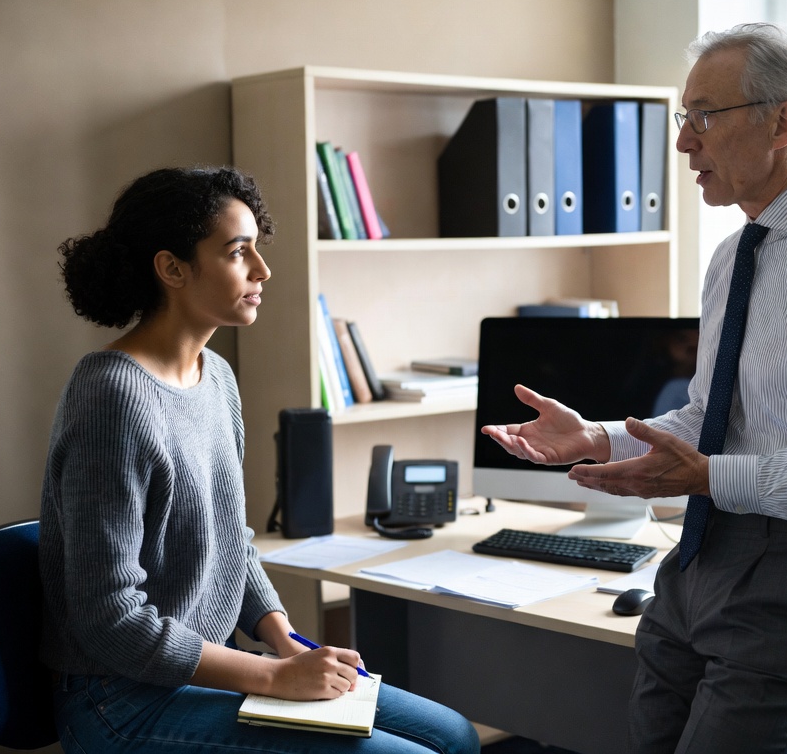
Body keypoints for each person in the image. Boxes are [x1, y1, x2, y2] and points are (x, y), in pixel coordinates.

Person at [482, 23, 787, 754]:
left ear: (784, 121)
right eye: (682, 119)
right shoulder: (734, 253)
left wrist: (711, 477)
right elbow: (713, 416)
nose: (683, 143)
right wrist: (600, 436)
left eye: (703, 117)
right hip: (699, 560)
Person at [39, 165, 480, 754]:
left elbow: (231, 545)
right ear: (171, 268)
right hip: (118, 699)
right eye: (237, 252)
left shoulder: (216, 376)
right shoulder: (111, 397)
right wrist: (273, 676)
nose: (262, 271)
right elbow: (110, 618)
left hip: (205, 672)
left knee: (454, 737)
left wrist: (286, 643)